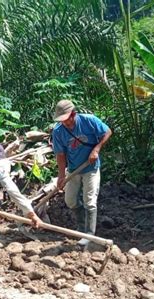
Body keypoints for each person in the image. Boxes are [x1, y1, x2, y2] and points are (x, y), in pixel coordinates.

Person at [51, 100, 112, 246]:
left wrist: (96, 149)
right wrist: (61, 176)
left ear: (73, 114)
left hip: (91, 168)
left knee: (89, 201)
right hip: (73, 170)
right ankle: (81, 227)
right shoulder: (58, 131)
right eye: (62, 121)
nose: (65, 123)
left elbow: (107, 132)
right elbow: (60, 155)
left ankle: (89, 234)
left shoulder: (88, 121)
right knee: (70, 201)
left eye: (66, 119)